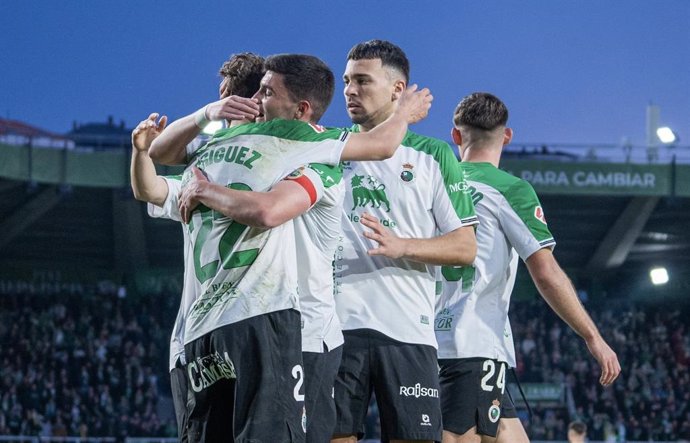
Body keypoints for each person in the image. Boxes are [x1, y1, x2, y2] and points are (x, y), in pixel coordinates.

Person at [147, 53, 434, 443]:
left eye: (266, 92)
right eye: (257, 91)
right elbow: (158, 158)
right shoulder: (277, 142)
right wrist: (402, 113)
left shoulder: (286, 145)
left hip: (282, 327)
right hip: (263, 320)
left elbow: (156, 159)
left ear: (298, 108)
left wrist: (201, 164)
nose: (257, 102)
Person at [435, 92, 621, 443]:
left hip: (429, 339)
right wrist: (593, 338)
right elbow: (547, 274)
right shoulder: (510, 189)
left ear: (456, 136)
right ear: (507, 136)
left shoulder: (432, 183)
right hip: (469, 341)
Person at [331, 40, 478, 443]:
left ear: (398, 90)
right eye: (346, 81)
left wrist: (403, 246)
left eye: (362, 80)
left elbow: (465, 248)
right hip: (335, 329)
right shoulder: (329, 147)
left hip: (408, 331)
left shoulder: (434, 155)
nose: (349, 90)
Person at [129, 52, 265, 443]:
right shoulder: (202, 160)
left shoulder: (281, 154)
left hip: (252, 325)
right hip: (202, 331)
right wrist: (141, 151)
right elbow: (151, 188)